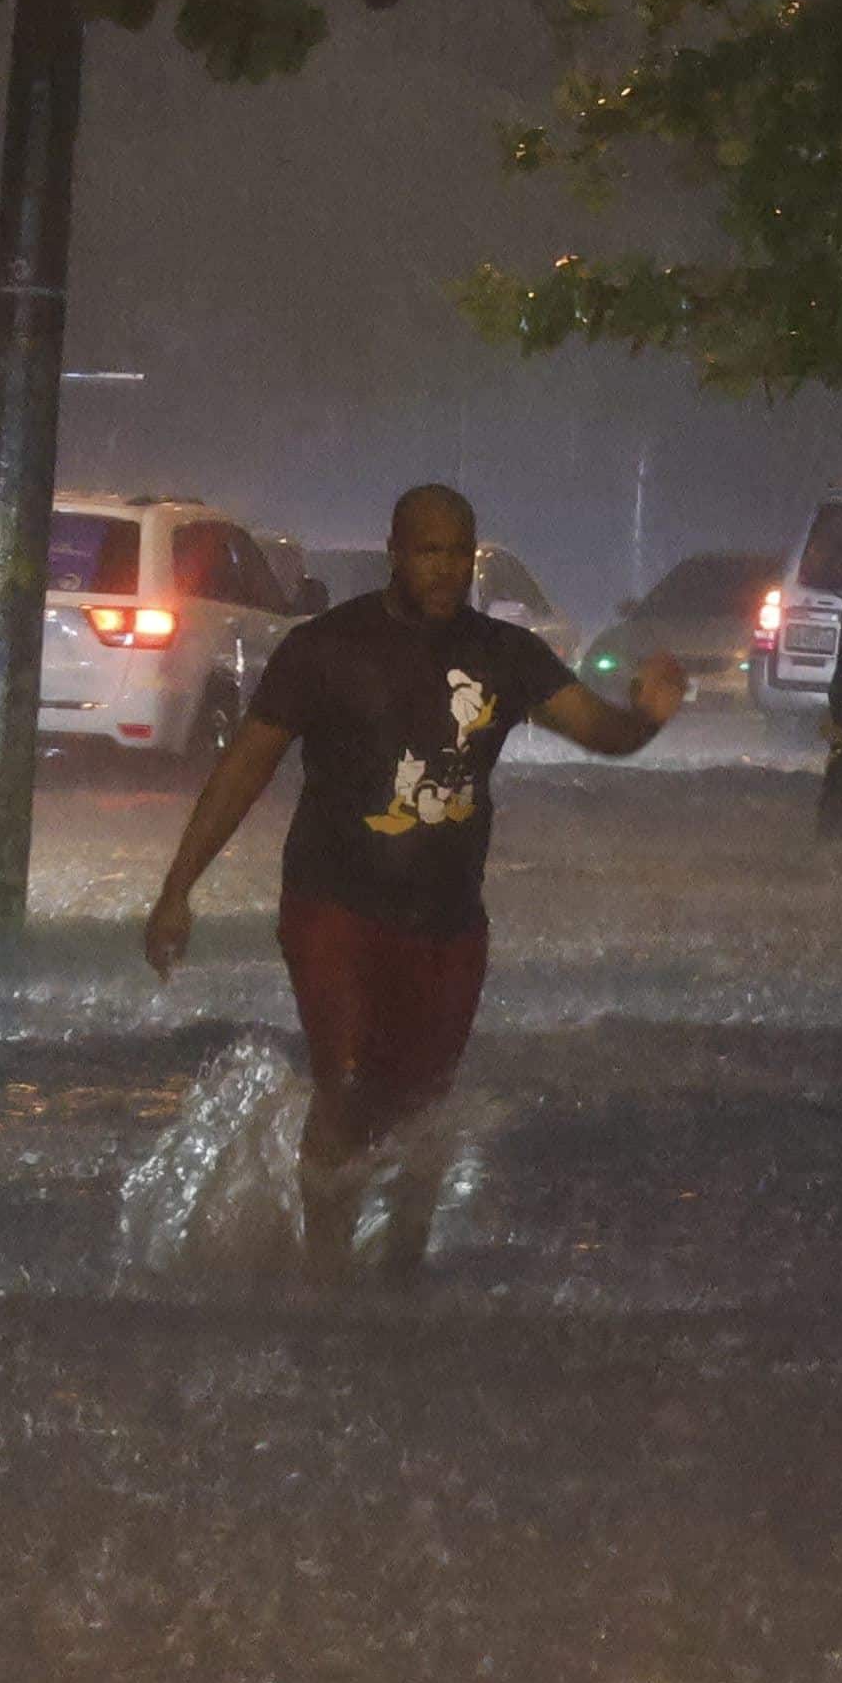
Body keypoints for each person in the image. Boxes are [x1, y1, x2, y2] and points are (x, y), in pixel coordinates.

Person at [144, 484, 687, 1277]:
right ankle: (326, 1272)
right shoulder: (326, 650)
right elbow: (243, 769)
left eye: (458, 554)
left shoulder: (505, 656)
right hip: (336, 904)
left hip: (446, 921)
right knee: (352, 1079)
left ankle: (402, 1268)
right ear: (396, 552)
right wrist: (176, 890)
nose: (445, 569)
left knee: (425, 1103)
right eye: (429, 552)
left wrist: (643, 718)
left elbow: (598, 731)